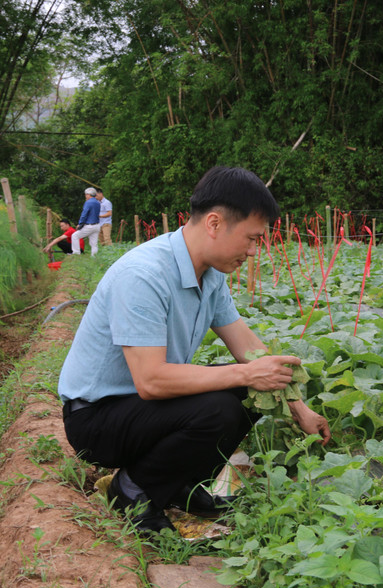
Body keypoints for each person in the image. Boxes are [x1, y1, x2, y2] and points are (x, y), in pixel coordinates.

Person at [58, 166, 331, 534]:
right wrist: (247, 373)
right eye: (251, 239)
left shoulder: (211, 275)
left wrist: (300, 408)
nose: (253, 252)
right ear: (215, 224)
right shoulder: (144, 275)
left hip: (142, 412)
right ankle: (131, 492)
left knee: (245, 390)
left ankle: (179, 488)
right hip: (97, 420)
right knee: (219, 406)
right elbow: (151, 381)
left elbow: (248, 348)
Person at [72, 187, 102, 256]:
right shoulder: (97, 202)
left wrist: (80, 224)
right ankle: (94, 257)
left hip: (89, 225)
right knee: (94, 243)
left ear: (89, 194)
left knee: (75, 236)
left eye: (86, 194)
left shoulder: (88, 202)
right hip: (97, 225)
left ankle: (76, 254)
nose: (85, 196)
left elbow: (84, 214)